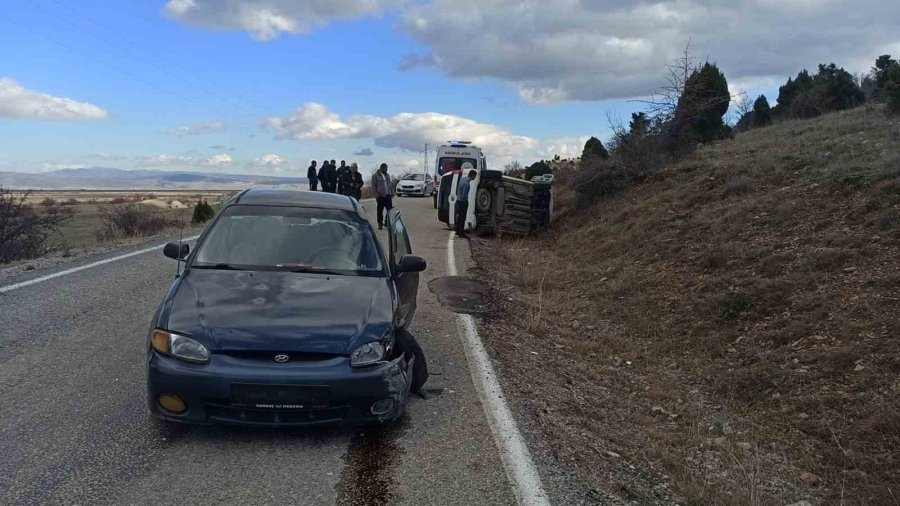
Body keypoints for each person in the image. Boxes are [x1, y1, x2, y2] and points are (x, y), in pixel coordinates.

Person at [455, 168, 477, 239]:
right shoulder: (467, 184)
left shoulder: (463, 179)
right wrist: (467, 202)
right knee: (463, 217)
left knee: (459, 216)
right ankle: (461, 233)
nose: (475, 178)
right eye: (475, 176)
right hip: (462, 201)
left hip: (458, 200)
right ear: (473, 176)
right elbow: (464, 195)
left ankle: (457, 230)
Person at [371, 163, 394, 229]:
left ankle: (387, 222)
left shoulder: (388, 175)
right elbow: (373, 187)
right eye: (385, 168)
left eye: (387, 168)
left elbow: (390, 184)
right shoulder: (375, 176)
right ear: (381, 168)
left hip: (387, 195)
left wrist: (392, 193)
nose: (386, 170)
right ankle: (380, 223)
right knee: (380, 210)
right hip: (380, 196)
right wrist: (377, 196)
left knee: (389, 210)